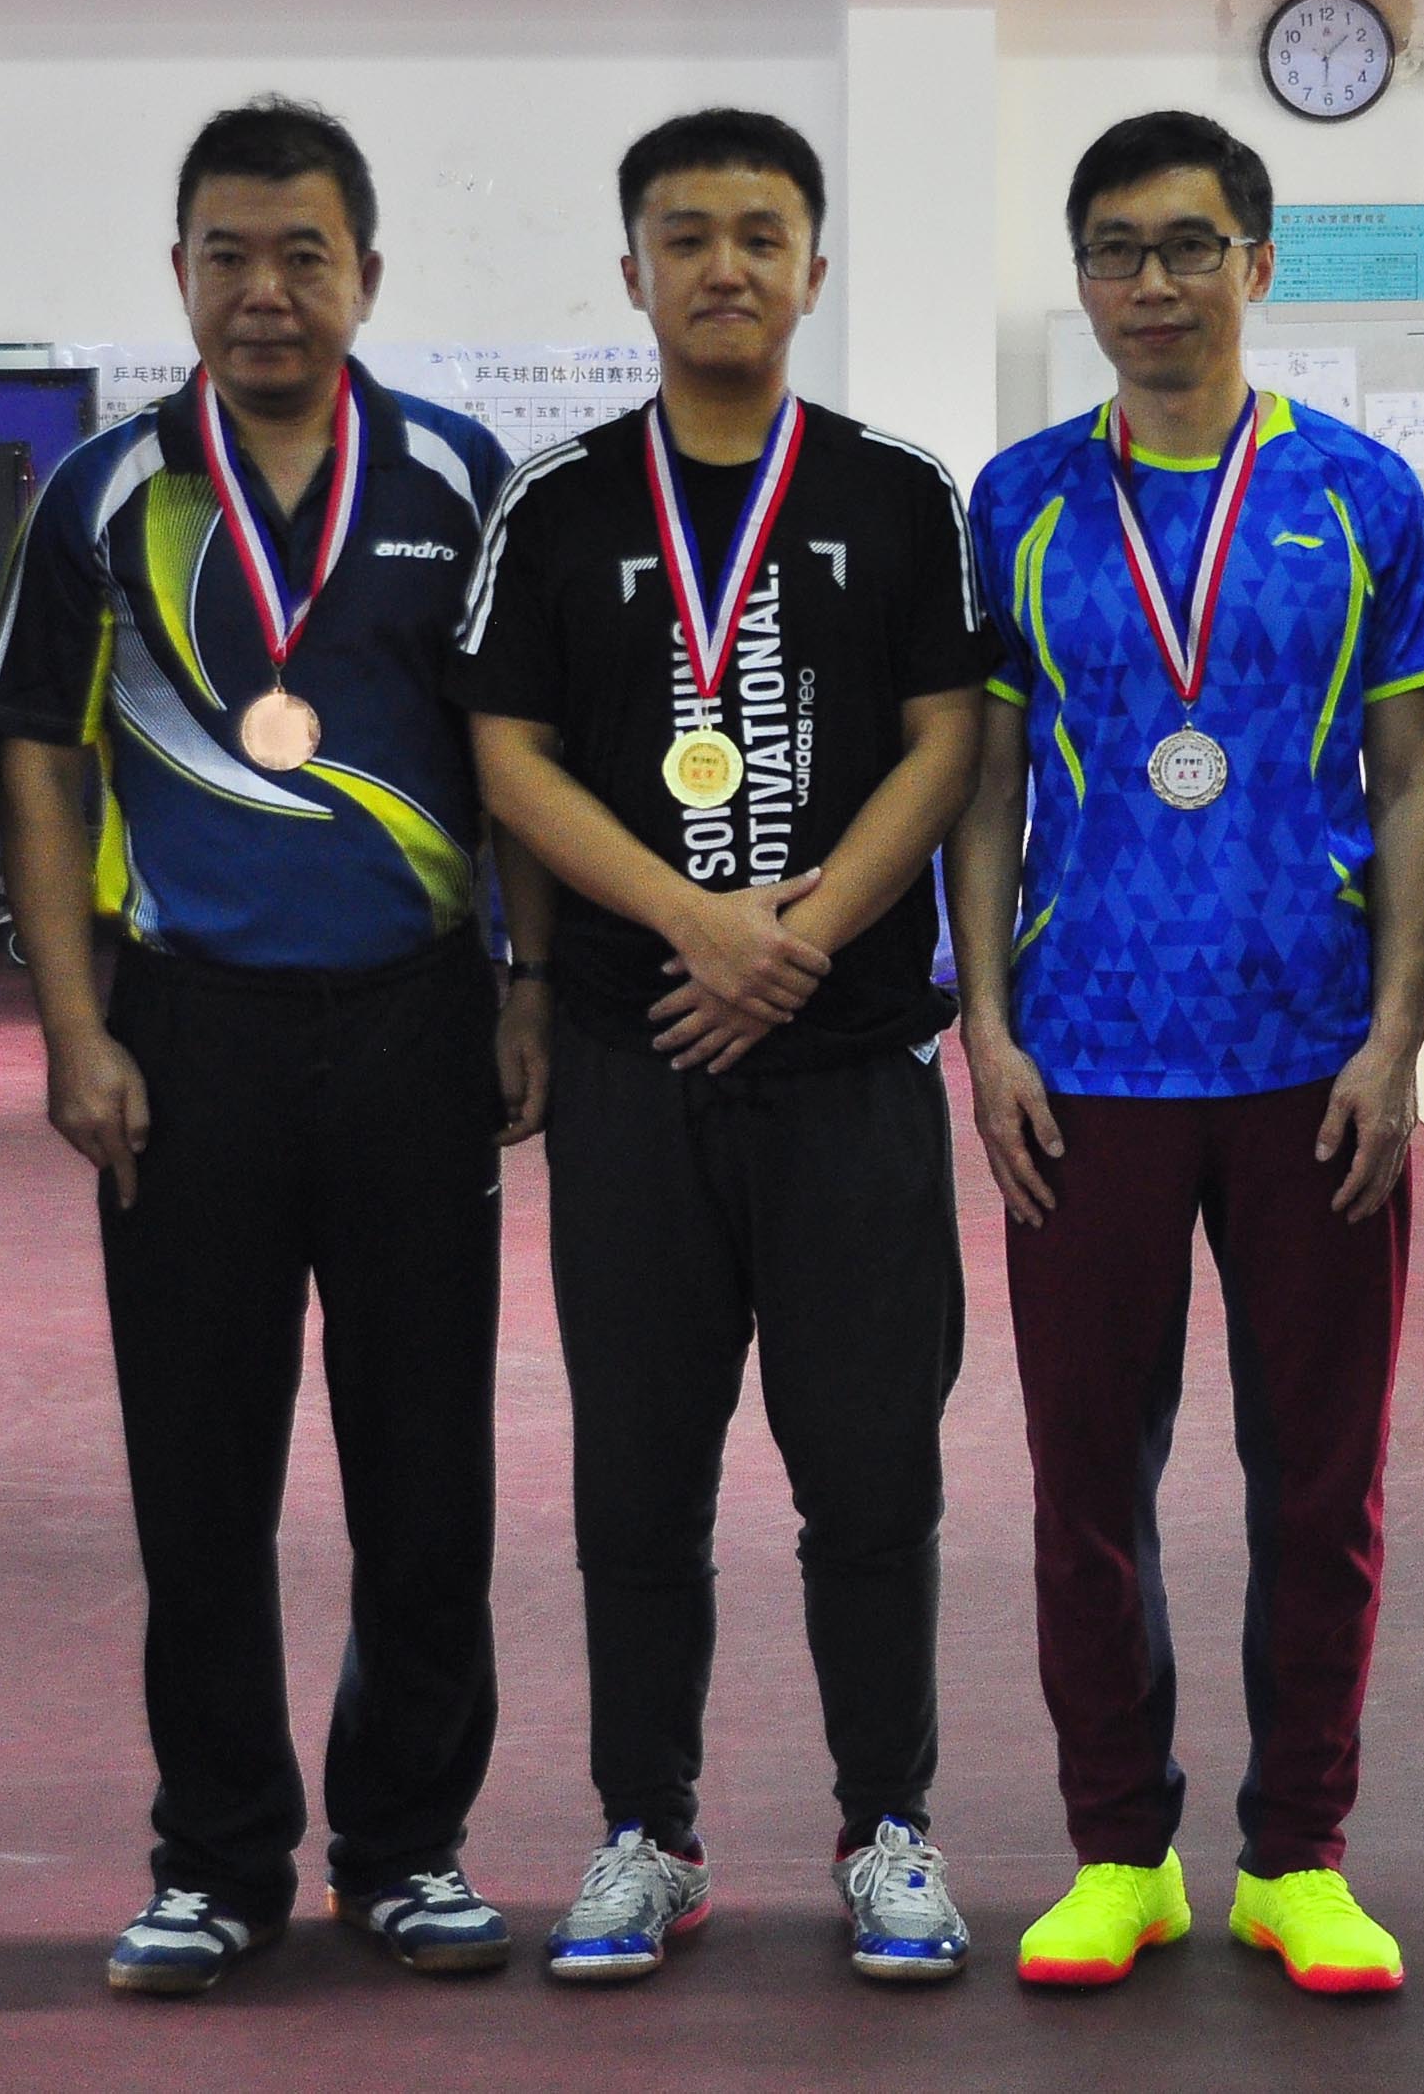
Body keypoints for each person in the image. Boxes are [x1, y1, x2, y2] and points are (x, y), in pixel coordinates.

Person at [0, 98, 545, 1995]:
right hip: (187, 1033)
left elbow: (519, 762)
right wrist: (74, 1026)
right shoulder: (102, 493)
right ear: (180, 273)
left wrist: (530, 983)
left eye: (305, 255)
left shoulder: (462, 476)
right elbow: (40, 766)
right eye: (228, 255)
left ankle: (406, 1844)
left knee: (425, 1463)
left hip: (414, 1023)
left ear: (368, 272)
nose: (267, 292)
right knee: (199, 1470)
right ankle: (214, 1857)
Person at [450, 108, 991, 1987]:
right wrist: (699, 925)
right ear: (633, 271)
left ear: (813, 269)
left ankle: (889, 1826)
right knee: (638, 1476)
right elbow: (507, 754)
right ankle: (645, 1833)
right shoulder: (557, 503)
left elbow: (948, 738)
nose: (726, 267)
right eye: (686, 236)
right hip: (638, 1066)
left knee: (872, 1475)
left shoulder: (900, 494)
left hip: (851, 1067)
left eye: (762, 234)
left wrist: (800, 939)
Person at [947, 109, 1424, 2001]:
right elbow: (986, 781)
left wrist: (1398, 1029)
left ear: (1258, 261)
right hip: (1084, 1059)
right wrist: (984, 1022)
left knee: (1321, 1477)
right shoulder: (1019, 500)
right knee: (1087, 1476)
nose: (1150, 283)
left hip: (1313, 1056)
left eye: (1186, 245)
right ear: (1083, 275)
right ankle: (1120, 1849)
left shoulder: (1360, 495)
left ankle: (1299, 1855)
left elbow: (1415, 772)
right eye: (1114, 249)